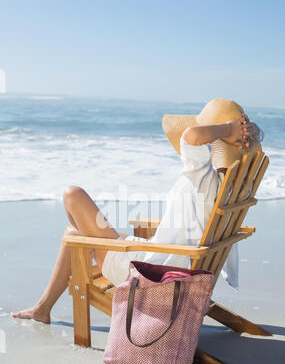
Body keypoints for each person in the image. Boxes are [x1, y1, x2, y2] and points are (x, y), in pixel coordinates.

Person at [12, 98, 263, 324]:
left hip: (152, 273)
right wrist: (246, 131)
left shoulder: (204, 177)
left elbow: (190, 136)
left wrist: (228, 129)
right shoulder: (233, 186)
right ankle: (43, 308)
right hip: (173, 261)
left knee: (72, 197)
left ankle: (43, 306)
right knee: (78, 234)